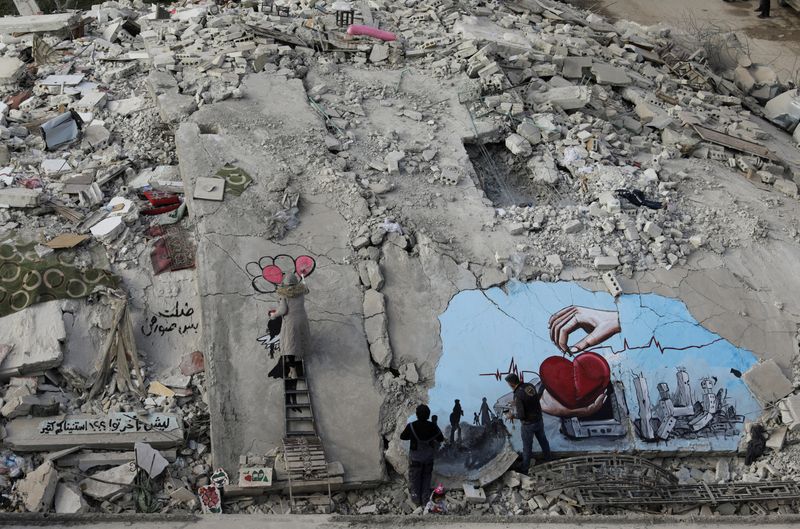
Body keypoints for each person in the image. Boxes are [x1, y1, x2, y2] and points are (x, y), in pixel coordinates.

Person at [504, 373, 551, 473]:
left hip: (528, 425)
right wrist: (516, 402)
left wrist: (512, 415)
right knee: (543, 441)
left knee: (527, 447)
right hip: (538, 420)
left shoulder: (518, 394)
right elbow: (532, 399)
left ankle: (525, 468)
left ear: (511, 384)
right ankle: (548, 459)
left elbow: (521, 415)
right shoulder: (529, 386)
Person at [400, 404, 444, 505]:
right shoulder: (433, 426)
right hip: (428, 458)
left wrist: (413, 436)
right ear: (428, 415)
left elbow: (403, 437)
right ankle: (425, 500)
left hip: (415, 459)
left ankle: (416, 500)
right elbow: (440, 439)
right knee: (426, 478)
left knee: (415, 478)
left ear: (417, 414)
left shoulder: (411, 426)